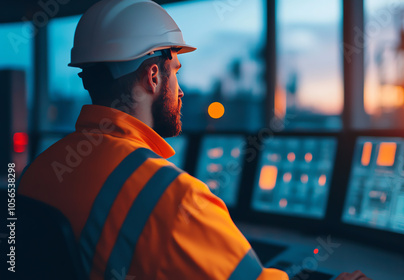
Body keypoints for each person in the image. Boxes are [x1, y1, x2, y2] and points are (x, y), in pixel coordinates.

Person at [19, 0, 370, 279]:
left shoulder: (38, 172)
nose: (181, 91)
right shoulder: (178, 200)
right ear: (153, 76)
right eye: (176, 74)